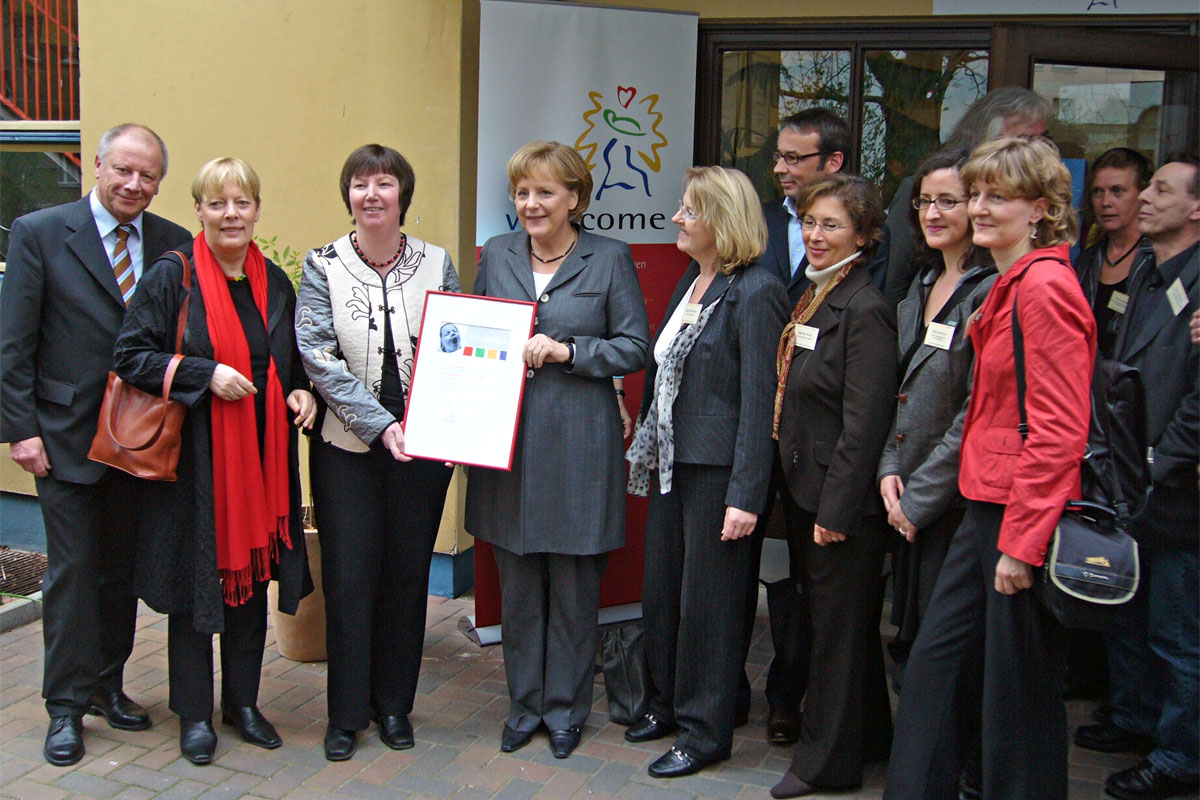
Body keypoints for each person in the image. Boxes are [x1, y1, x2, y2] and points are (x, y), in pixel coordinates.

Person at [885, 136, 1095, 800]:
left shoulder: (1045, 288)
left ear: (1041, 208)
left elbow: (1058, 430)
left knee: (1017, 696)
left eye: (995, 196)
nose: (978, 207)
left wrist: (1022, 545)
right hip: (985, 507)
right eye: (974, 193)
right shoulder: (1012, 282)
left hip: (1014, 516)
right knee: (934, 668)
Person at [113, 158, 314, 764]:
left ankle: (244, 705)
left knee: (250, 583)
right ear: (198, 210)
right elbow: (131, 356)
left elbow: (290, 357)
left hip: (261, 457)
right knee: (196, 584)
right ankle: (194, 714)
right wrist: (204, 374)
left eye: (243, 203)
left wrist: (301, 389)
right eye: (217, 203)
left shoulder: (274, 280)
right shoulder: (171, 278)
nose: (231, 215)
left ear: (257, 210)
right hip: (197, 465)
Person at [0, 123, 190, 766]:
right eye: (124, 171)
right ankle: (64, 707)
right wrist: (20, 431)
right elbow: (13, 344)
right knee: (74, 574)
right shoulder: (40, 233)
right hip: (65, 438)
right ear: (99, 166)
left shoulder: (173, 242)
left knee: (120, 574)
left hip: (141, 442)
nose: (135, 185)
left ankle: (108, 685)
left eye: (149, 176)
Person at [464, 141, 649, 759]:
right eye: (522, 192)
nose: (531, 204)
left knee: (573, 590)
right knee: (518, 587)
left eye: (545, 192)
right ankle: (525, 708)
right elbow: (472, 335)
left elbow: (634, 347)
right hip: (509, 445)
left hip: (579, 448)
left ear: (575, 197)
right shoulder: (497, 254)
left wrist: (571, 351)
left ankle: (567, 711)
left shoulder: (610, 258)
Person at [295, 144, 459, 762]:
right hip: (347, 449)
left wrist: (446, 425)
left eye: (383, 184)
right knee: (348, 576)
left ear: (401, 196)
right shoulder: (323, 265)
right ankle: (345, 715)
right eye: (360, 185)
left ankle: (394, 706)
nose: (371, 195)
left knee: (407, 574)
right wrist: (380, 423)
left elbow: (455, 346)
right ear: (349, 196)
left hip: (423, 452)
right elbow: (316, 354)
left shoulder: (436, 262)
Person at [625, 166, 787, 778]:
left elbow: (758, 401)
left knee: (711, 609)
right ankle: (665, 704)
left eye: (689, 210)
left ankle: (705, 730)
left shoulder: (757, 291)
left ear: (721, 219)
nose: (676, 218)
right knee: (664, 592)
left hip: (719, 475)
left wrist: (748, 494)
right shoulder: (694, 282)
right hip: (673, 463)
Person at [1073, 157, 1198, 800]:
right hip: (1127, 473)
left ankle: (1178, 758)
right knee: (1129, 608)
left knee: (1176, 631)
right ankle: (1135, 718)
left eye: (1160, 189)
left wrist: (1159, 462)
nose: (1145, 199)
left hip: (1175, 485)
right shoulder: (1149, 270)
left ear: (1197, 208)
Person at [769, 174, 896, 798]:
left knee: (836, 638)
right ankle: (872, 738)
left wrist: (838, 509)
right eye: (810, 223)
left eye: (832, 226)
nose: (816, 236)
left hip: (836, 501)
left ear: (865, 236)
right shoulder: (820, 294)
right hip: (806, 488)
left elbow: (865, 422)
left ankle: (826, 764)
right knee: (841, 628)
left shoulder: (865, 307)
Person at [748, 106, 851, 746]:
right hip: (751, 423)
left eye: (795, 158)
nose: (780, 168)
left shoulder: (869, 232)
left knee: (807, 576)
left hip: (814, 436)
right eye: (778, 157)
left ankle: (789, 693)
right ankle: (727, 686)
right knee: (756, 561)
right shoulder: (754, 220)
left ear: (832, 163)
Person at [878, 148, 996, 688]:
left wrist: (920, 498)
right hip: (908, 494)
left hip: (954, 500)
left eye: (949, 201)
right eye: (925, 201)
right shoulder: (917, 291)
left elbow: (977, 410)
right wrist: (889, 470)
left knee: (954, 653)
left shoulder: (990, 292)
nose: (933, 213)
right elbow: (899, 393)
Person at [875, 87, 1054, 306]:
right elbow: (896, 281)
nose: (980, 209)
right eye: (1025, 139)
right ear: (988, 137)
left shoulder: (1044, 281)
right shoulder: (931, 183)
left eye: (1042, 140)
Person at [1074, 147, 1154, 359]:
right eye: (1098, 191)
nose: (1106, 202)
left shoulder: (1157, 258)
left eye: (1117, 191)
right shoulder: (1087, 260)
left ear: (1143, 195)